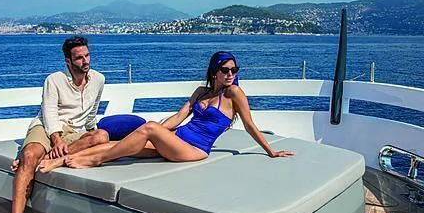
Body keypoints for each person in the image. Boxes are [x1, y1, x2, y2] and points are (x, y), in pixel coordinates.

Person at [38, 51, 294, 172]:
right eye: (225, 70)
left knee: (148, 128)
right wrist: (159, 131)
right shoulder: (200, 93)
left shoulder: (234, 94)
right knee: (125, 143)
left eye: (234, 70)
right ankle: (58, 161)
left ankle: (94, 160)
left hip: (194, 150)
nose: (230, 75)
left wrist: (270, 151)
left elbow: (249, 124)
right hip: (177, 140)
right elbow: (179, 117)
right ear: (214, 71)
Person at [10, 36, 108, 213]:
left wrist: (93, 137)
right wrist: (56, 140)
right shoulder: (54, 80)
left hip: (75, 132)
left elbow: (92, 114)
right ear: (68, 61)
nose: (85, 61)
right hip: (46, 126)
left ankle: (44, 158)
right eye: (79, 58)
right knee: (30, 155)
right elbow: (49, 113)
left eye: (87, 55)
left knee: (102, 136)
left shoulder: (99, 80)